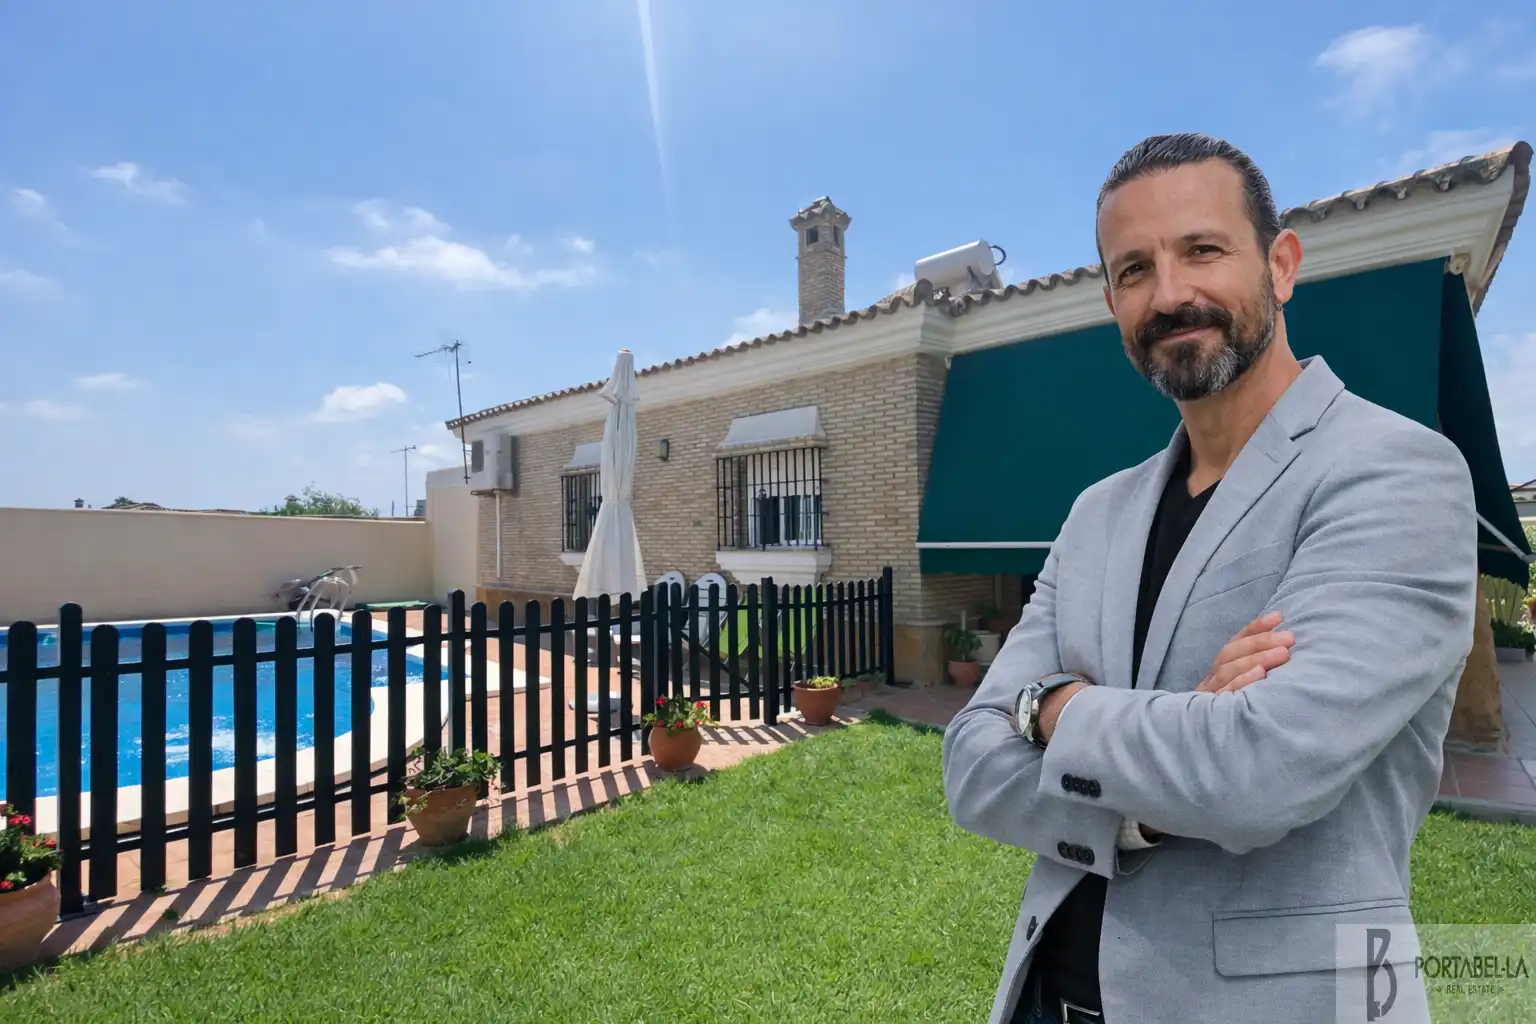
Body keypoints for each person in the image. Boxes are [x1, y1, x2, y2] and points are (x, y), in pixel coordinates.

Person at [942, 133, 1477, 1024]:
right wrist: (1148, 804)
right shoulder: (1094, 515)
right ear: (1113, 300)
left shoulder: (1395, 472)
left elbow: (1263, 769)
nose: (1172, 293)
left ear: (1281, 263)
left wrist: (1052, 708)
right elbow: (970, 767)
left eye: (1202, 250)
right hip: (1042, 996)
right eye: (1135, 269)